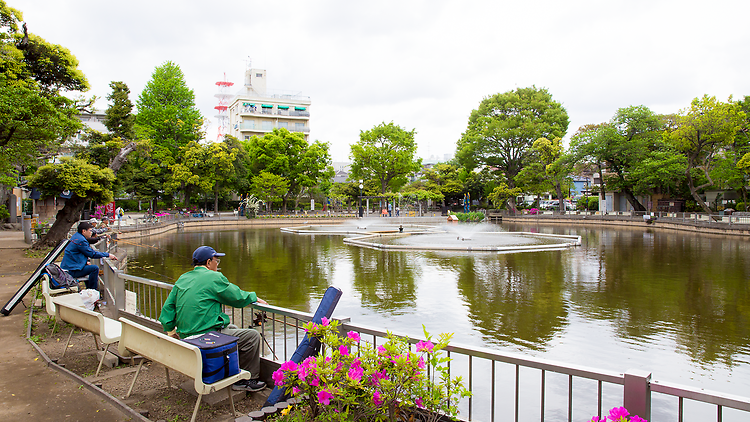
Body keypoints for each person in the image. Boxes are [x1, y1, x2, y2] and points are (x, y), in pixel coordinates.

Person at [158, 246, 268, 392]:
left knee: (233, 329)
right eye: (217, 261)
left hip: (186, 337)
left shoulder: (183, 278)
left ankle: (231, 370)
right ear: (209, 262)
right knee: (252, 336)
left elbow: (167, 309)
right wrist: (254, 297)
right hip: (206, 339)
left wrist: (171, 332)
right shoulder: (214, 277)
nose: (218, 264)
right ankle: (247, 380)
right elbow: (236, 296)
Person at [60, 221, 118, 290]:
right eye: (90, 230)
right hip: (71, 270)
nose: (91, 232)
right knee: (94, 268)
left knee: (89, 267)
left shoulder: (76, 236)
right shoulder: (81, 241)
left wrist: (85, 262)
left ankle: (89, 290)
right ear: (84, 231)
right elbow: (92, 254)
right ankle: (92, 290)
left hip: (69, 267)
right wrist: (107, 255)